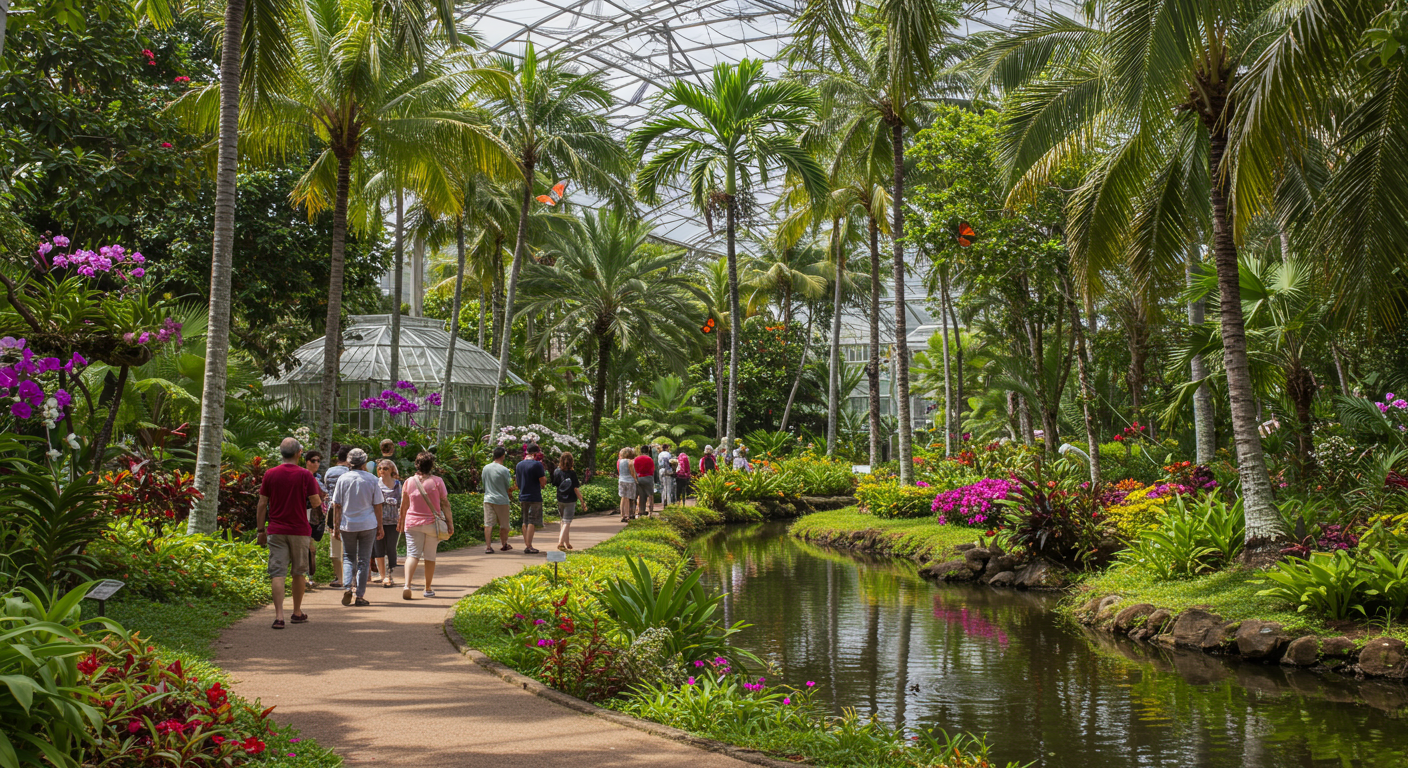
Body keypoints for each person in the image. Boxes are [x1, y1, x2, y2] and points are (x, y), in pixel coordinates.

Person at [256, 438, 321, 629]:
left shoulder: (270, 474)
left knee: (278, 573)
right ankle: (297, 612)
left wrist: (261, 530)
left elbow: (262, 503)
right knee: (298, 572)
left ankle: (279, 616)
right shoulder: (305, 475)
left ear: (281, 453)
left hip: (276, 530)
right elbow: (316, 502)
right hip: (299, 530)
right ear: (299, 453)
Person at [330, 448, 384, 607]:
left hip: (348, 525)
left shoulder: (343, 479)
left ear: (349, 462)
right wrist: (380, 526)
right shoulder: (372, 479)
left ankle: (348, 587)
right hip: (368, 524)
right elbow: (378, 505)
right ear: (364, 463)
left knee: (348, 557)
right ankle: (360, 596)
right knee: (364, 560)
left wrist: (336, 526)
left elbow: (337, 505)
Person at [399, 451, 451, 599]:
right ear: (432, 465)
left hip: (412, 523)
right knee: (430, 556)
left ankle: (407, 585)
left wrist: (401, 522)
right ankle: (427, 588)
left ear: (417, 464)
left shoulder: (409, 481)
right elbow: (445, 504)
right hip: (432, 524)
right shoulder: (437, 481)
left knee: (412, 555)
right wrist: (450, 523)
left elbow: (404, 505)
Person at [323, 446, 352, 588]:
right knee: (350, 546)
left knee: (335, 546)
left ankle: (339, 578)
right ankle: (350, 578)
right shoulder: (351, 472)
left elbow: (326, 490)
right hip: (349, 512)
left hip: (332, 511)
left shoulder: (329, 472)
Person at [373, 459, 402, 587]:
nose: (382, 471)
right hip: (378, 521)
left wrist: (402, 519)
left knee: (391, 548)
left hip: (393, 521)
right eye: (380, 468)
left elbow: (403, 502)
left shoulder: (398, 485)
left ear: (392, 470)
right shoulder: (375, 484)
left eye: (385, 468)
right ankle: (383, 575)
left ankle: (390, 574)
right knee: (378, 548)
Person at [515, 443, 547, 554]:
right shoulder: (537, 465)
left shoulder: (519, 465)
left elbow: (517, 483)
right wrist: (543, 484)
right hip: (534, 496)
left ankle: (527, 544)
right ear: (535, 453)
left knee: (525, 521)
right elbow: (543, 482)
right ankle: (529, 546)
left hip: (523, 495)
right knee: (532, 521)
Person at [481, 446, 514, 554]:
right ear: (503, 456)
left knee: (488, 523)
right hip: (501, 500)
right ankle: (504, 544)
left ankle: (488, 547)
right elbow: (507, 485)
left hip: (488, 498)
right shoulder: (504, 470)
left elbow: (483, 482)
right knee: (504, 525)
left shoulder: (485, 468)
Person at [303, 450, 326, 588]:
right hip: (304, 513)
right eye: (313, 460)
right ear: (306, 461)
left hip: (315, 515)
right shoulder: (303, 476)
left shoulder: (318, 478)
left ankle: (309, 576)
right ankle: (305, 576)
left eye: (318, 461)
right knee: (306, 546)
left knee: (311, 548)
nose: (316, 463)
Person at [551, 452, 583, 551]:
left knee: (563, 521)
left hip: (560, 499)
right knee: (567, 522)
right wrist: (582, 501)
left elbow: (555, 483)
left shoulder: (557, 471)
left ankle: (567, 542)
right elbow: (576, 488)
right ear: (571, 462)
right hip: (570, 500)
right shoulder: (572, 473)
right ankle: (560, 543)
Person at [634, 445, 656, 518]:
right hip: (648, 477)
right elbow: (652, 469)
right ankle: (650, 512)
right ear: (648, 451)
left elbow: (635, 469)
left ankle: (641, 511)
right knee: (650, 495)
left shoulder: (636, 459)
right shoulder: (649, 459)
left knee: (641, 495)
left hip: (639, 477)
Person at [617, 447, 637, 522]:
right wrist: (636, 479)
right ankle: (627, 515)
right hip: (630, 481)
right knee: (628, 499)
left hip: (621, 480)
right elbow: (632, 472)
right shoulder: (630, 461)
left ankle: (623, 515)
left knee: (623, 498)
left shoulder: (620, 461)